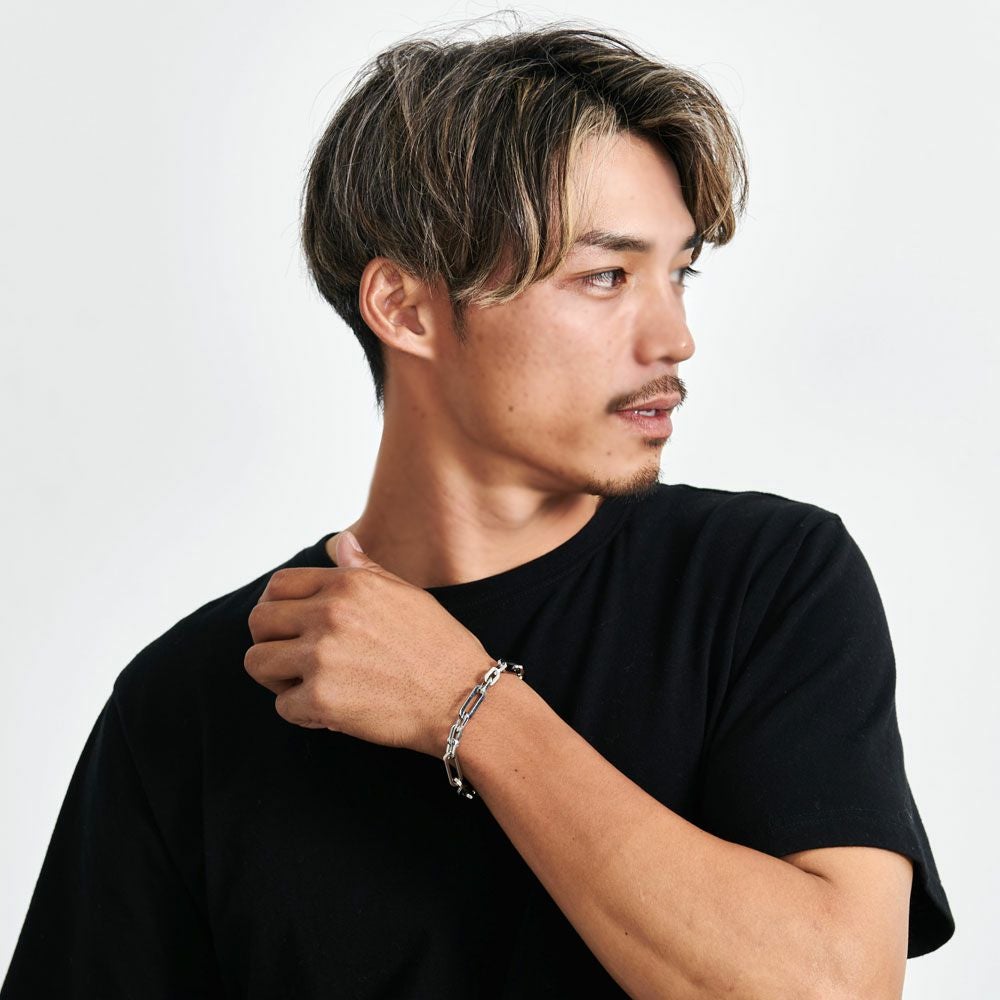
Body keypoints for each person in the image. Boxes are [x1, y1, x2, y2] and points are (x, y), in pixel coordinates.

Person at [1, 19, 954, 999]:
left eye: (679, 272)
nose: (674, 337)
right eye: (605, 276)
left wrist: (469, 705)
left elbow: (834, 988)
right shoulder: (199, 695)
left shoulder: (763, 580)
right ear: (406, 309)